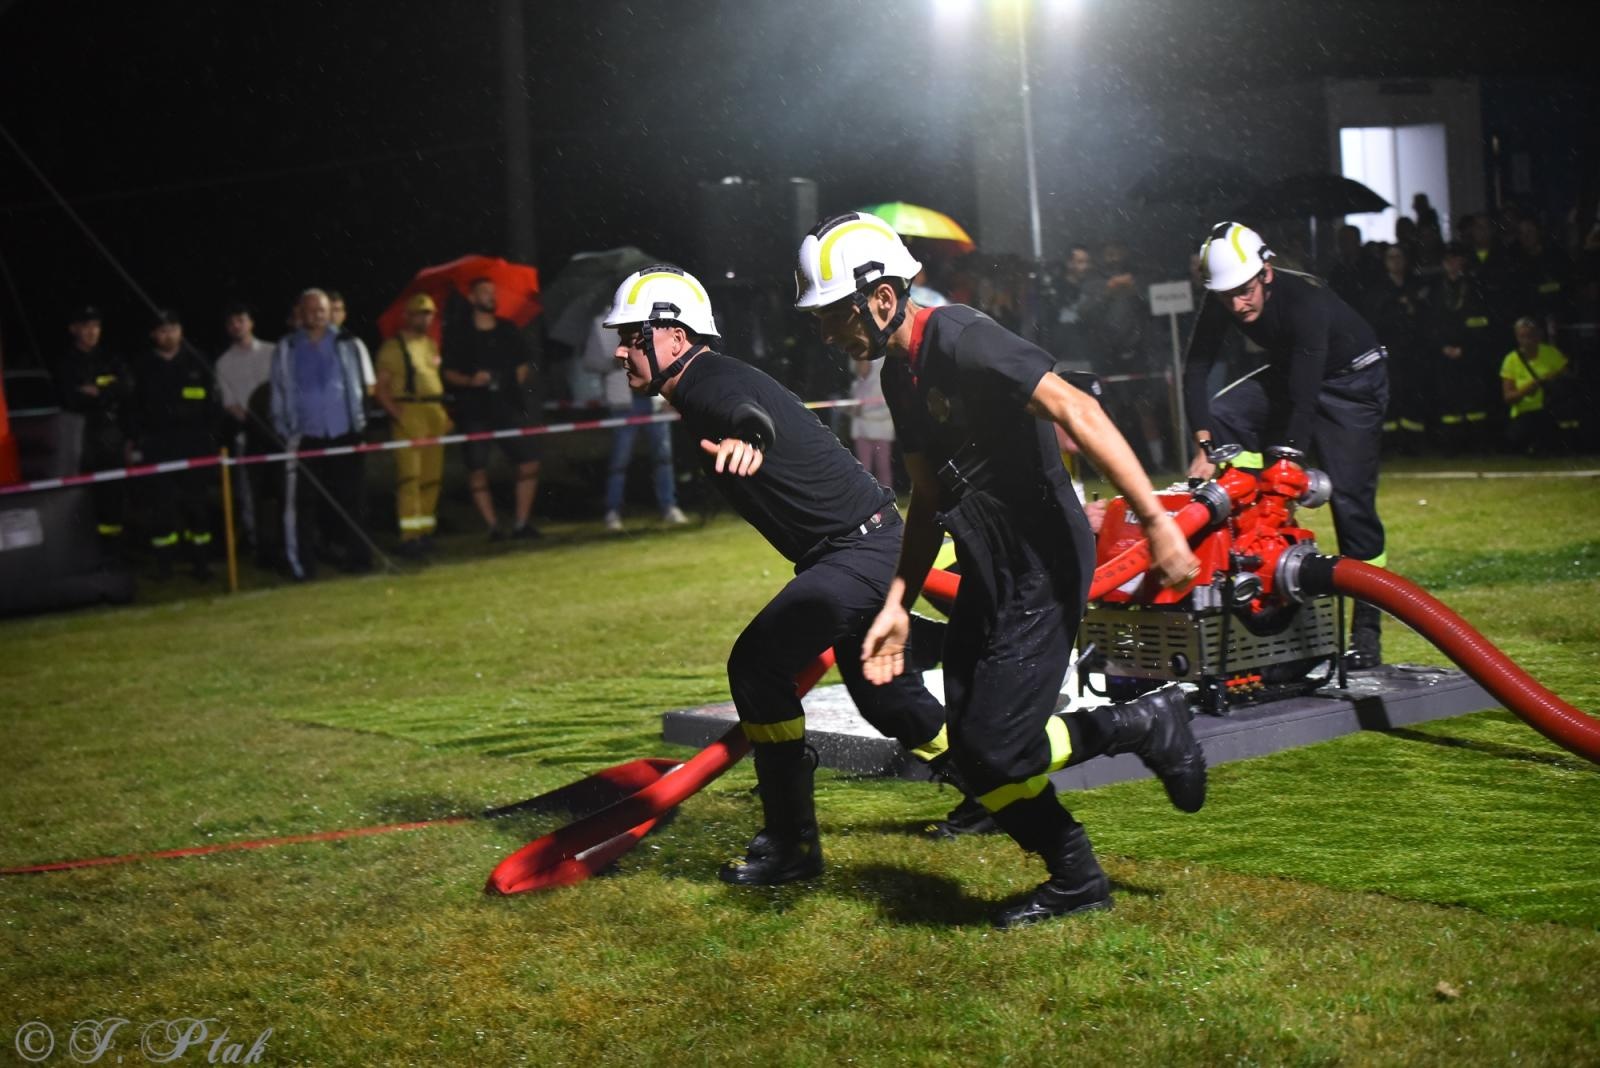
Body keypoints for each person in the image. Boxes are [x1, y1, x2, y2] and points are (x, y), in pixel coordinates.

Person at [798, 212, 1206, 928]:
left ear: (882, 297)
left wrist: (1155, 518)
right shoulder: (899, 375)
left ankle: (1143, 722)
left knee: (995, 748)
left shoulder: (962, 336)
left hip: (1039, 561)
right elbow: (928, 496)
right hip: (990, 562)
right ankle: (1077, 878)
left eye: (835, 313)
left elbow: (1076, 408)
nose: (829, 332)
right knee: (973, 753)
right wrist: (897, 603)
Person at [603, 264, 986, 886]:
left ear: (674, 335)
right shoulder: (703, 382)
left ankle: (791, 843)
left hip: (857, 551)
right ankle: (991, 789)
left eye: (631, 335)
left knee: (757, 665)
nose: (621, 350)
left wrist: (747, 438)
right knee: (885, 697)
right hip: (864, 544)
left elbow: (747, 414)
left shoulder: (706, 384)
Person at [1184, 221, 1390, 670]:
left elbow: (1305, 393)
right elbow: (1196, 367)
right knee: (1225, 414)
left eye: (1244, 292)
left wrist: (1289, 459)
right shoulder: (1226, 297)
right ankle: (1257, 533)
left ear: (1266, 273)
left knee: (1351, 503)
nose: (1237, 305)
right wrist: (1204, 443)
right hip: (1297, 372)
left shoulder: (1306, 302)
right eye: (1226, 295)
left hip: (1352, 383)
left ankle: (1367, 632)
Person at [269, 288, 372, 579]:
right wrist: (283, 429)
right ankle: (302, 566)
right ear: (299, 313)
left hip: (345, 433)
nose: (316, 315)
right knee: (302, 504)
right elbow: (278, 391)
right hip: (305, 436)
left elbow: (363, 387)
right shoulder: (287, 347)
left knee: (352, 499)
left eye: (321, 310)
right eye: (309, 310)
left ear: (330, 312)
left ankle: (359, 560)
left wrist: (361, 426)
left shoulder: (348, 343)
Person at [440, 277, 544, 540]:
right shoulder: (458, 333)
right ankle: (493, 527)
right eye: (484, 292)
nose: (490, 296)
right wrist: (470, 381)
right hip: (474, 410)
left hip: (508, 406)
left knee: (529, 462)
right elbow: (448, 373)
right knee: (477, 467)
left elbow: (524, 365)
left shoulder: (508, 329)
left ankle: (521, 523)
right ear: (472, 298)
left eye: (492, 292)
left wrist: (509, 381)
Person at [127, 309, 219, 579]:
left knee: (197, 507)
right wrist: (135, 439)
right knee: (161, 509)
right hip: (158, 447)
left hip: (195, 446)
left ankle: (201, 563)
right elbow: (132, 408)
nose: (168, 335)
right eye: (162, 330)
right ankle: (164, 566)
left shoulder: (198, 361)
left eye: (173, 329)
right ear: (153, 334)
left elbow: (213, 405)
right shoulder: (143, 366)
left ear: (181, 331)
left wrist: (211, 438)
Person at [579, 309, 689, 533]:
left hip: (653, 399)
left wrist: (668, 394)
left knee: (663, 458)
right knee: (620, 459)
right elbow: (590, 362)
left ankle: (669, 506)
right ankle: (613, 511)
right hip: (623, 402)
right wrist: (613, 362)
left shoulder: (653, 317)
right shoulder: (601, 322)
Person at [374, 293, 451, 557]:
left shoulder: (431, 345)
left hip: (433, 413)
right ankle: (409, 536)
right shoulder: (393, 347)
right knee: (410, 477)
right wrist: (398, 414)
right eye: (420, 313)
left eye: (430, 314)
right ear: (407, 316)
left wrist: (443, 415)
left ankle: (425, 531)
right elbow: (381, 388)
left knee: (432, 476)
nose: (426, 318)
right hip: (410, 411)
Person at [51, 305, 130, 553]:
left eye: (95, 326)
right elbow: (70, 398)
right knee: (81, 492)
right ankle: (84, 548)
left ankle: (114, 550)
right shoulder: (66, 363)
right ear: (73, 329)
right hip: (79, 435)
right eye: (86, 326)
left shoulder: (110, 358)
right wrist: (105, 392)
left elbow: (127, 387)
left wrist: (99, 392)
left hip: (109, 433)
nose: (91, 332)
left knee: (113, 491)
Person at [213, 302, 275, 561]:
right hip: (247, 435)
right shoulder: (223, 363)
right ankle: (256, 541)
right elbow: (229, 403)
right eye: (231, 322)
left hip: (279, 433)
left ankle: (283, 538)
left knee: (281, 488)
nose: (236, 326)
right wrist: (254, 423)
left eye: (241, 319)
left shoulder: (273, 352)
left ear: (251, 322)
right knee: (250, 491)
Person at [1428, 242, 1496, 453]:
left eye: (1455, 259)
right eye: (1447, 259)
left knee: (1473, 397)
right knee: (1449, 398)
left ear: (1463, 261)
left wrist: (1466, 347)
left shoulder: (1475, 287)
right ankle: (1451, 444)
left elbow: (1481, 321)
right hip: (1444, 352)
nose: (1451, 263)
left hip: (1471, 352)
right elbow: (1430, 323)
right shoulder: (1435, 289)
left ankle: (1477, 442)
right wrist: (1443, 346)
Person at [1500, 316, 1572, 455]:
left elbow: (1568, 377)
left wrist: (1551, 378)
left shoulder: (1551, 353)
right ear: (1517, 338)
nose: (1527, 341)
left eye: (1531, 336)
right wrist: (1526, 390)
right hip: (1524, 413)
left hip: (1550, 410)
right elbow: (1508, 397)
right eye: (1522, 337)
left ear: (1539, 336)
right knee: (1518, 437)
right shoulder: (1511, 360)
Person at [848, 355, 895, 490]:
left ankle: (887, 499)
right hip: (862, 429)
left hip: (882, 428)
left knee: (883, 467)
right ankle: (865, 497)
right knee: (864, 469)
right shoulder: (857, 385)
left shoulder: (882, 377)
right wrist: (853, 409)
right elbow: (853, 408)